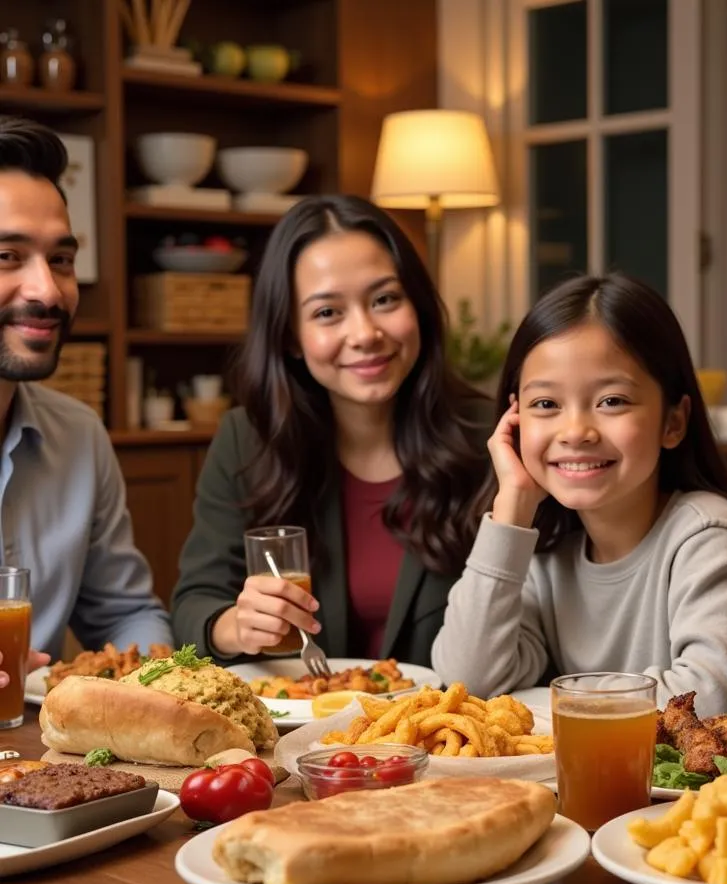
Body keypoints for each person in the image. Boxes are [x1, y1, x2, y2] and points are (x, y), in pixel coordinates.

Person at [431, 272, 727, 714]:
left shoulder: (707, 535)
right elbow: (466, 681)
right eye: (546, 404)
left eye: (612, 401)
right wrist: (511, 510)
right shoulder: (541, 547)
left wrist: (551, 697)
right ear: (515, 419)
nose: (576, 431)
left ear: (673, 422)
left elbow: (707, 702)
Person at [171, 195, 490, 665]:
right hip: (302, 730)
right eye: (327, 313)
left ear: (417, 306)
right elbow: (193, 605)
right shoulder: (248, 439)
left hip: (450, 729)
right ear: (290, 337)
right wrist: (234, 626)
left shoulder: (490, 439)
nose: (364, 333)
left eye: (385, 299)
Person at [0, 116, 172, 690]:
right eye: (8, 256)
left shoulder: (78, 434)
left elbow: (124, 615)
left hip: (37, 767)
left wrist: (169, 685)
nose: (47, 291)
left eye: (62, 260)